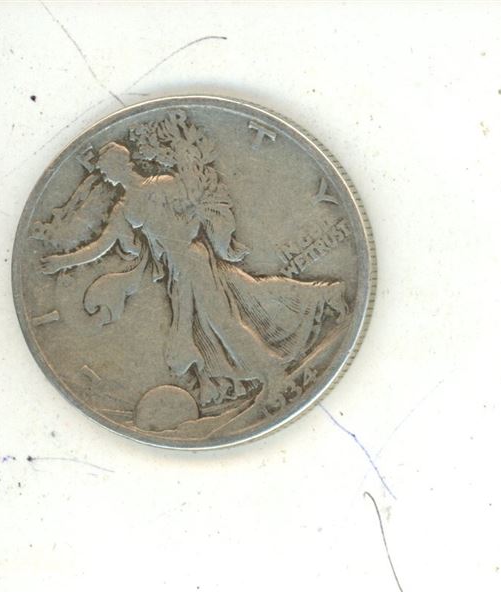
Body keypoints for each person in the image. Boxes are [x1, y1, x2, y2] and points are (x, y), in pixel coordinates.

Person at [41, 125, 347, 421]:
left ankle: (273, 373)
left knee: (225, 323)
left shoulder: (162, 184)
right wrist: (62, 262)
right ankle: (324, 296)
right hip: (179, 272)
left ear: (120, 164)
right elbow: (101, 246)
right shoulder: (125, 209)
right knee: (249, 295)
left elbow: (196, 209)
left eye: (106, 168)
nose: (105, 176)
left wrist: (194, 236)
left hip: (193, 260)